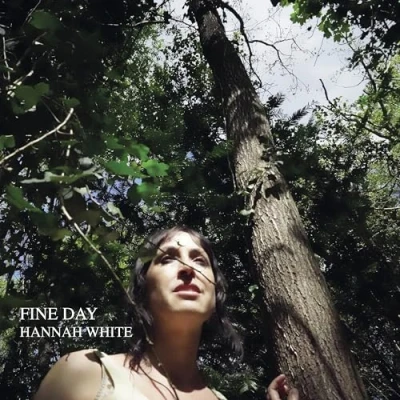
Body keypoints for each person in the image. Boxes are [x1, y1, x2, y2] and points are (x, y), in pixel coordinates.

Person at [35, 226, 299, 400]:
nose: (188, 269)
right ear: (143, 289)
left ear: (215, 296)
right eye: (168, 258)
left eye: (199, 260)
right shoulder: (85, 371)